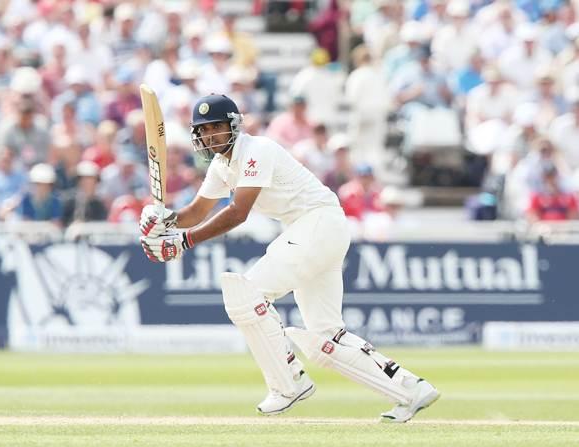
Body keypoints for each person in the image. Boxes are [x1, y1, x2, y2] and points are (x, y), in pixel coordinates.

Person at [138, 94, 440, 422]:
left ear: (234, 126)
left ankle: (288, 384)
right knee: (325, 337)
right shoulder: (221, 166)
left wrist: (183, 242)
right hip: (319, 229)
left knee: (246, 294)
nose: (210, 135)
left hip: (318, 222)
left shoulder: (257, 151)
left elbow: (238, 213)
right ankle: (411, 390)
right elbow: (196, 211)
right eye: (204, 129)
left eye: (217, 127)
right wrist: (165, 220)